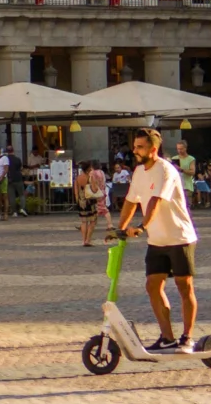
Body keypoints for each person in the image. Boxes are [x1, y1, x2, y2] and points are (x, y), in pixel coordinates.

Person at [117, 127, 201, 353]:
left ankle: (187, 338)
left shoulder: (166, 170)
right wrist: (120, 228)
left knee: (185, 287)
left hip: (179, 237)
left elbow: (154, 202)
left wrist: (142, 226)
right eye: (134, 146)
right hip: (157, 241)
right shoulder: (139, 172)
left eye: (140, 147)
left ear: (153, 149)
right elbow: (130, 201)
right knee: (153, 285)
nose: (135, 150)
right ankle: (167, 337)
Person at [76, 158, 108, 246]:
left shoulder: (78, 178)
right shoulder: (90, 177)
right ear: (88, 169)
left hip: (81, 201)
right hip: (90, 201)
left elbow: (76, 190)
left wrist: (77, 200)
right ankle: (88, 240)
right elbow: (94, 189)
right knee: (93, 221)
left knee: (83, 221)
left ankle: (83, 240)